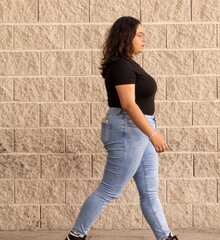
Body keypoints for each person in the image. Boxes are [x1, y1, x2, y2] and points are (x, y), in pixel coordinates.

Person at [64, 16, 178, 240]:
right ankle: (76, 236)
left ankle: (166, 237)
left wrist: (149, 131)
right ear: (126, 37)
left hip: (138, 129)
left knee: (149, 192)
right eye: (139, 35)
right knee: (109, 190)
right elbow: (127, 104)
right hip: (129, 129)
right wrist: (152, 134)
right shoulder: (121, 66)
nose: (144, 39)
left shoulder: (128, 64)